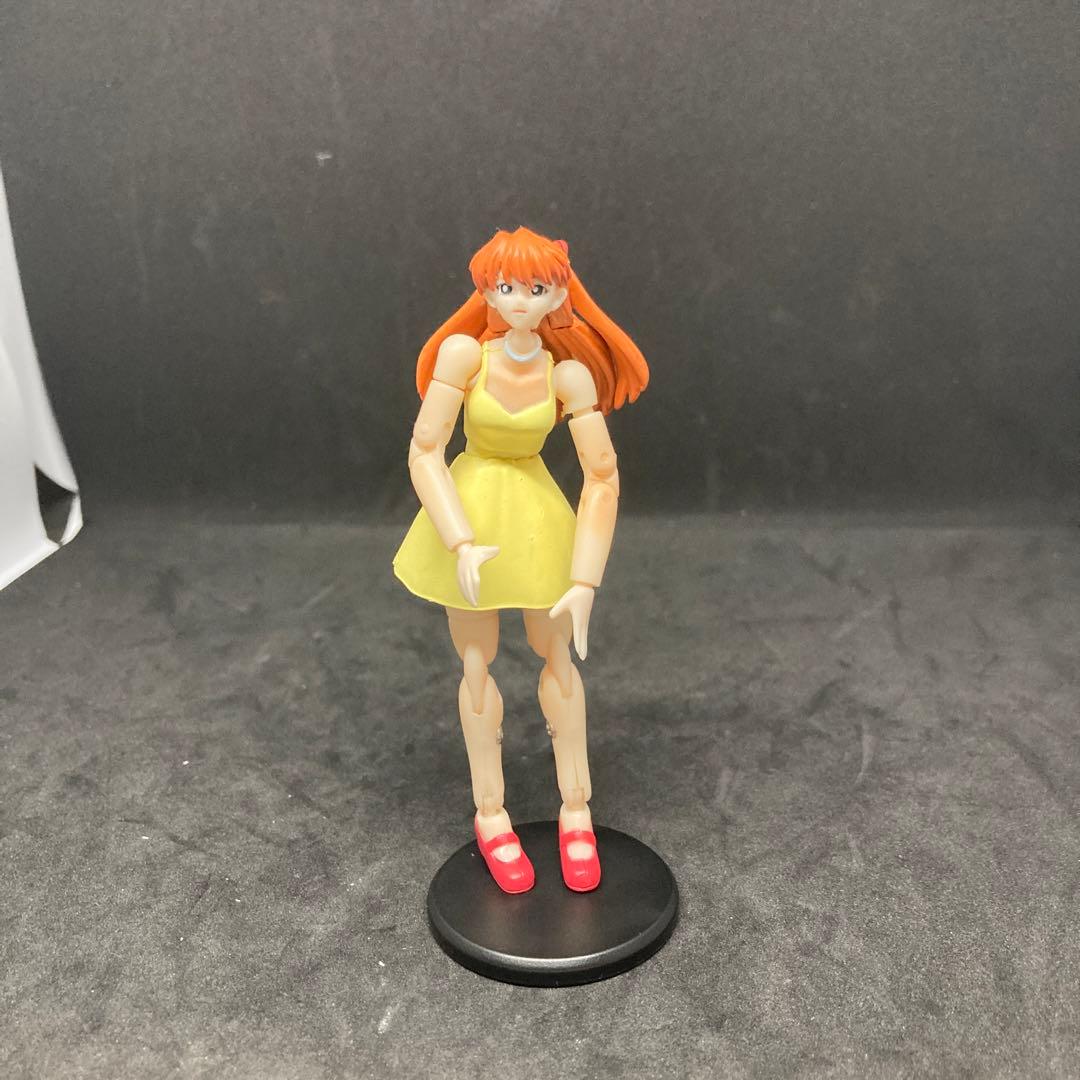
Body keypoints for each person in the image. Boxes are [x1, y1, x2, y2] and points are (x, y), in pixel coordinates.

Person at [393, 226, 648, 893]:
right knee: (477, 666)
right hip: (473, 511)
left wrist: (585, 577)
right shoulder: (464, 357)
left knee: (557, 658)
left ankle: (576, 810)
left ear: (559, 295)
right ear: (485, 290)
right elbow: (425, 450)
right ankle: (491, 814)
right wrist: (458, 538)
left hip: (536, 519)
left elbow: (602, 476)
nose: (518, 300)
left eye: (535, 288)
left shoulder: (566, 375)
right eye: (505, 286)